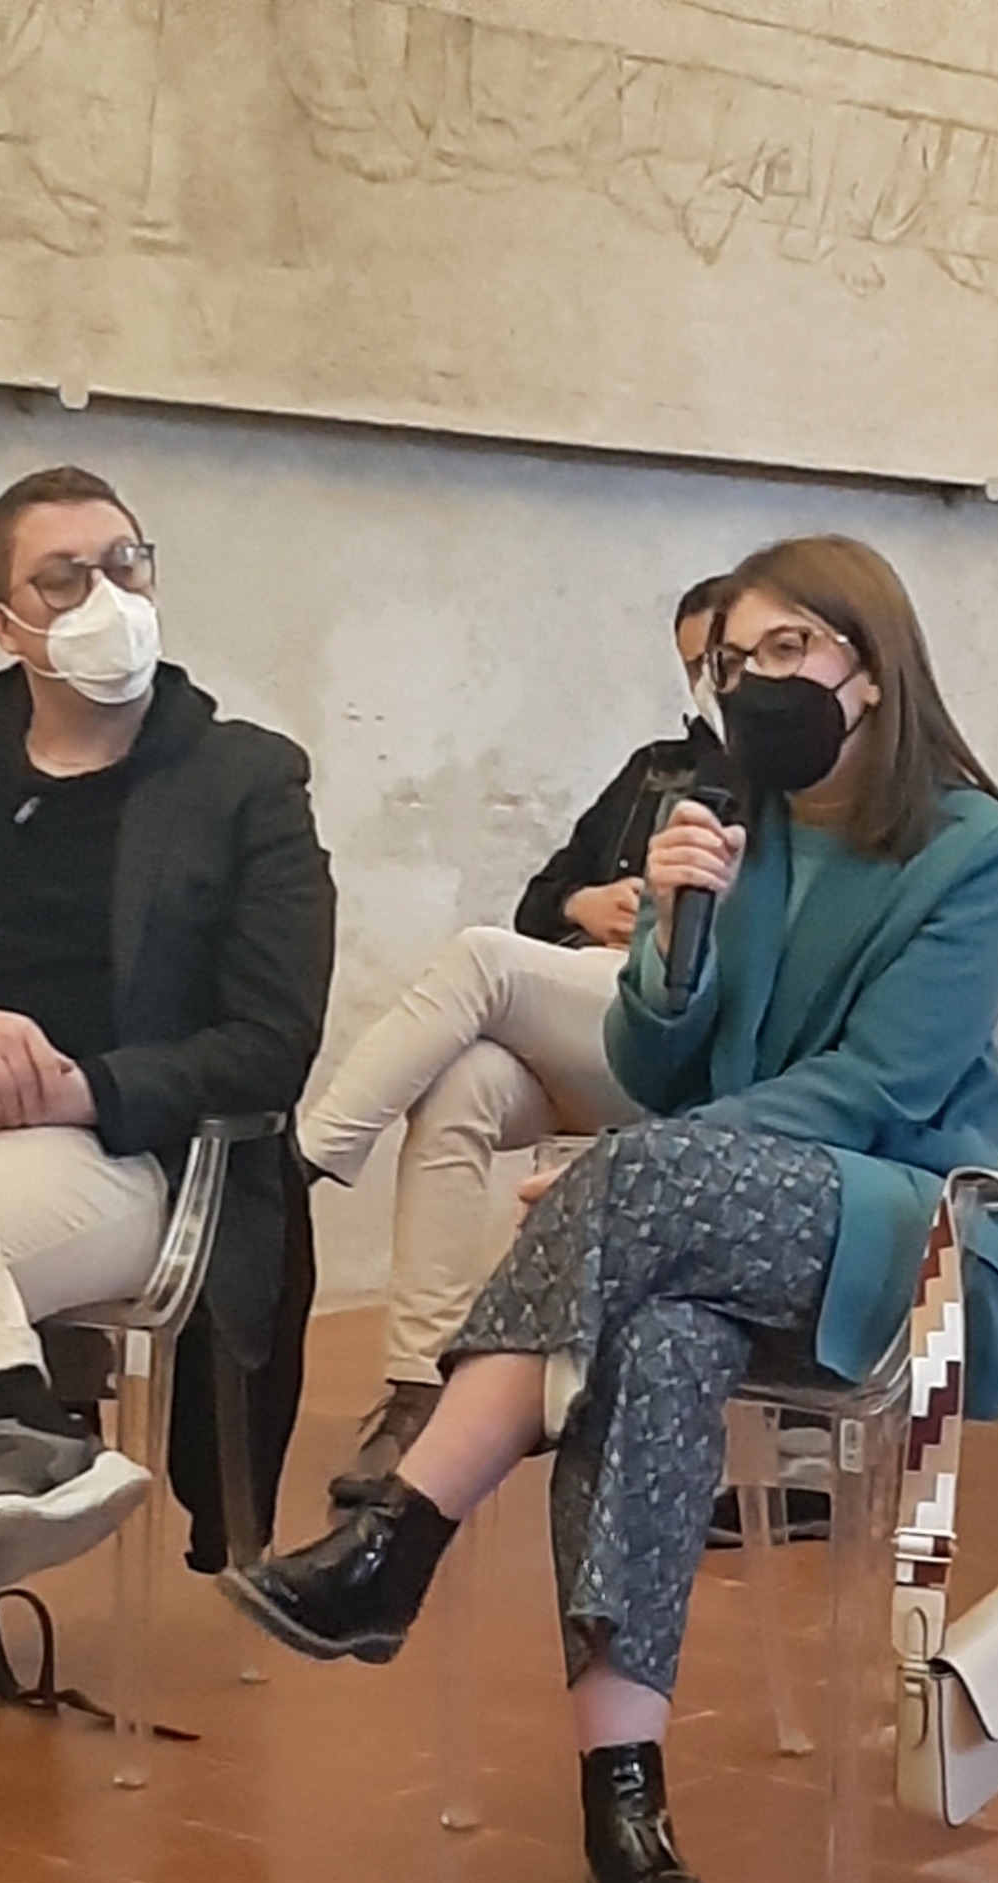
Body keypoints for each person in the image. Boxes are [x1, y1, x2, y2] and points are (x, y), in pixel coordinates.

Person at [223, 534, 998, 1883]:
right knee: (653, 1349)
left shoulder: (978, 847)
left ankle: (402, 1530)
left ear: (871, 660)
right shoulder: (725, 820)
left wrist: (649, 1167)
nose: (753, 682)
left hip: (900, 1227)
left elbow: (885, 1089)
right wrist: (676, 930)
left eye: (787, 649)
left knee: (639, 1175)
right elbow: (656, 1067)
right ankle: (624, 1802)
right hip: (706, 1219)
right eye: (732, 661)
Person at [0, 465, 334, 1694]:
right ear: (4, 623)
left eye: (125, 563)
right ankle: (13, 1415)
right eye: (63, 577)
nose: (105, 595)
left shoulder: (244, 779)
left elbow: (271, 1040)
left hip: (121, 1148)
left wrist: (68, 1087)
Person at [304, 577, 727, 1508]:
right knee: (462, 1082)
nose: (713, 682)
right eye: (695, 664)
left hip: (701, 1035)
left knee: (480, 959)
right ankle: (420, 1388)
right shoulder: (654, 772)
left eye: (729, 660)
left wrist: (675, 919)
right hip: (599, 1023)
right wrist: (587, 901)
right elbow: (542, 898)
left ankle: (305, 1161)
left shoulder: (803, 789)